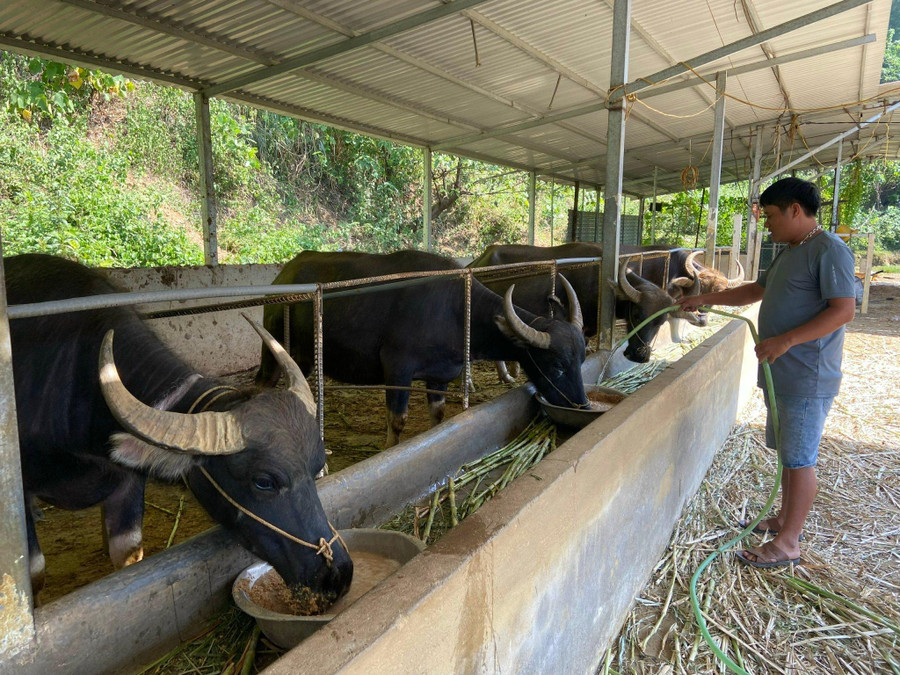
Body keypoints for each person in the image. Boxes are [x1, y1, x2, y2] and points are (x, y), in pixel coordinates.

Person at [677, 177, 857, 568]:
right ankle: (782, 519)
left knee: (801, 458)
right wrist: (703, 298)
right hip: (782, 372)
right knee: (790, 455)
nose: (768, 224)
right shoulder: (790, 250)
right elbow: (753, 291)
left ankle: (789, 542)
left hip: (807, 373)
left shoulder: (830, 250)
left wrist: (787, 340)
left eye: (772, 215)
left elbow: (843, 310)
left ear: (795, 210)